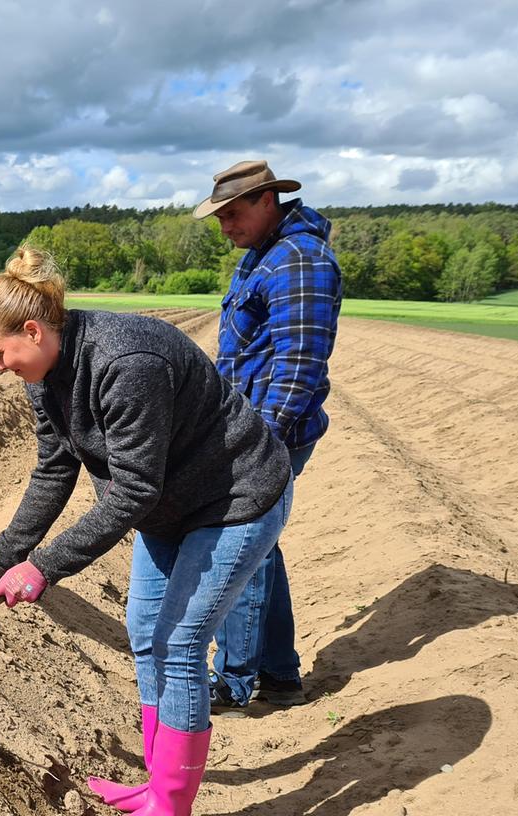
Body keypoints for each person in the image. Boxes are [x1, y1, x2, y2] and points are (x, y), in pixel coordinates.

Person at [0, 246, 293, 815]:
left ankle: (171, 804)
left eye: (0, 353)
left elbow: (135, 490)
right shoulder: (43, 378)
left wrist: (41, 568)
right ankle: (158, 783)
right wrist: (3, 555)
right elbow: (55, 466)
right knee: (145, 633)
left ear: (34, 331)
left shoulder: (126, 362)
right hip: (169, 508)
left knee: (179, 641)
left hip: (233, 498)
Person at [194, 160, 342, 710]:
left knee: (240, 545)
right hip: (248, 424)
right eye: (219, 218)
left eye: (232, 214)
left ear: (267, 202)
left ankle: (235, 681)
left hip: (270, 431)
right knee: (261, 547)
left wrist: (265, 443)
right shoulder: (266, 254)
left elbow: (300, 363)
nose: (225, 226)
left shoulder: (298, 260)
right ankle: (279, 675)